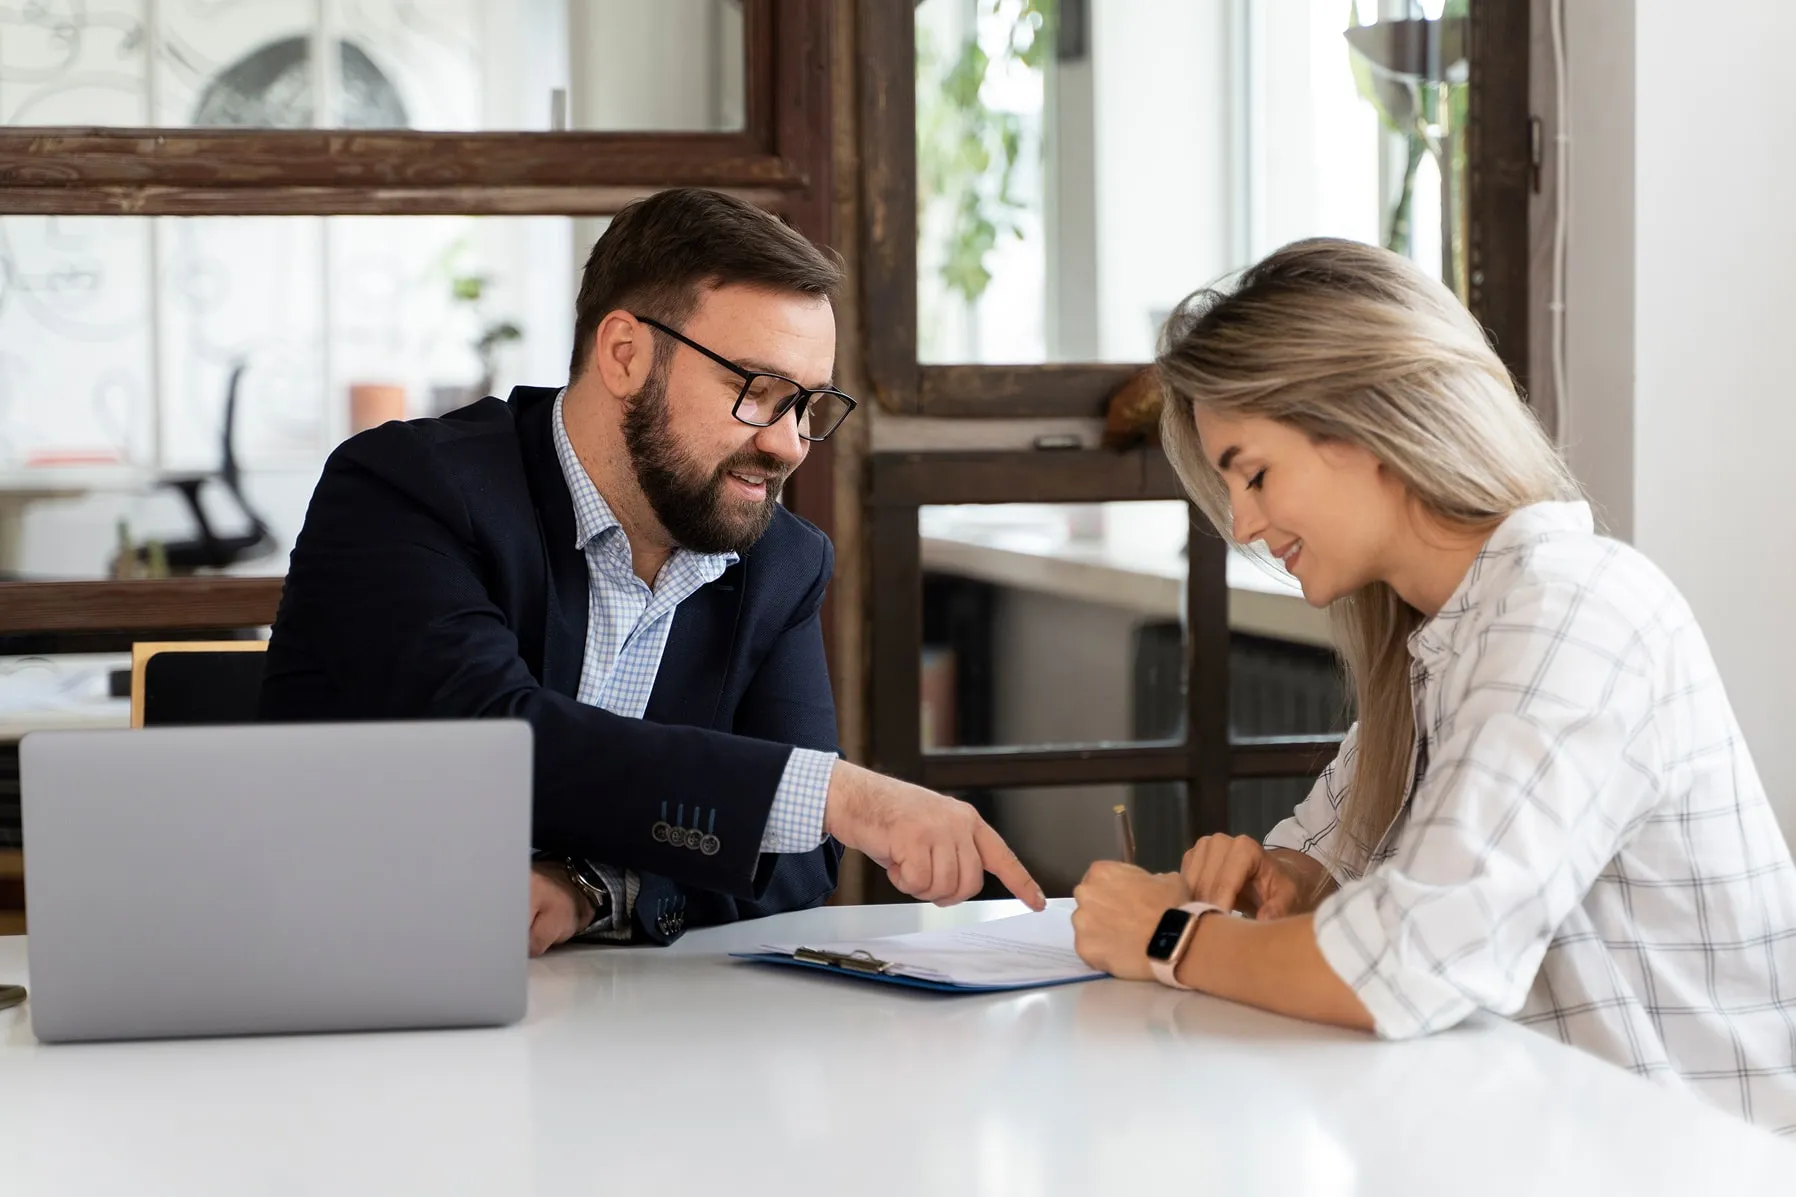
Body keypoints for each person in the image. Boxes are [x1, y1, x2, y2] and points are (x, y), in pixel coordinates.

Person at [1070, 237, 1796, 1134]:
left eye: (1254, 474)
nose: (1248, 525)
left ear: (1367, 425)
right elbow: (1324, 864)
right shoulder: (1437, 647)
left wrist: (1169, 937)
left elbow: (1411, 960)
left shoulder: (1572, 614)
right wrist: (1281, 881)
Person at [261, 188, 1044, 954]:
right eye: (757, 391)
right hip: (341, 980)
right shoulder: (408, 488)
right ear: (626, 354)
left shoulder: (779, 560)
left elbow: (803, 859)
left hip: (620, 1032)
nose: (789, 444)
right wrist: (835, 791)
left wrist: (594, 889)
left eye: (806, 406)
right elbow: (489, 737)